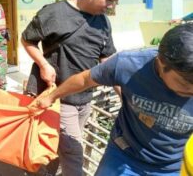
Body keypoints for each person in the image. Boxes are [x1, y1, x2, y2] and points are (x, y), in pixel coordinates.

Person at [35, 24, 193, 175]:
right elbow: (85, 80)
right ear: (161, 62)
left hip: (172, 167)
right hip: (123, 155)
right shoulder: (128, 64)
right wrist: (51, 97)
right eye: (185, 83)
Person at [22, 0, 130, 176]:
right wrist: (44, 65)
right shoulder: (53, 13)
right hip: (58, 99)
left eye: (115, 1)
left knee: (57, 146)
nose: (111, 6)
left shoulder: (103, 22)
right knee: (74, 156)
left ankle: (40, 171)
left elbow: (108, 61)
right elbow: (27, 40)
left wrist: (125, 95)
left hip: (85, 100)